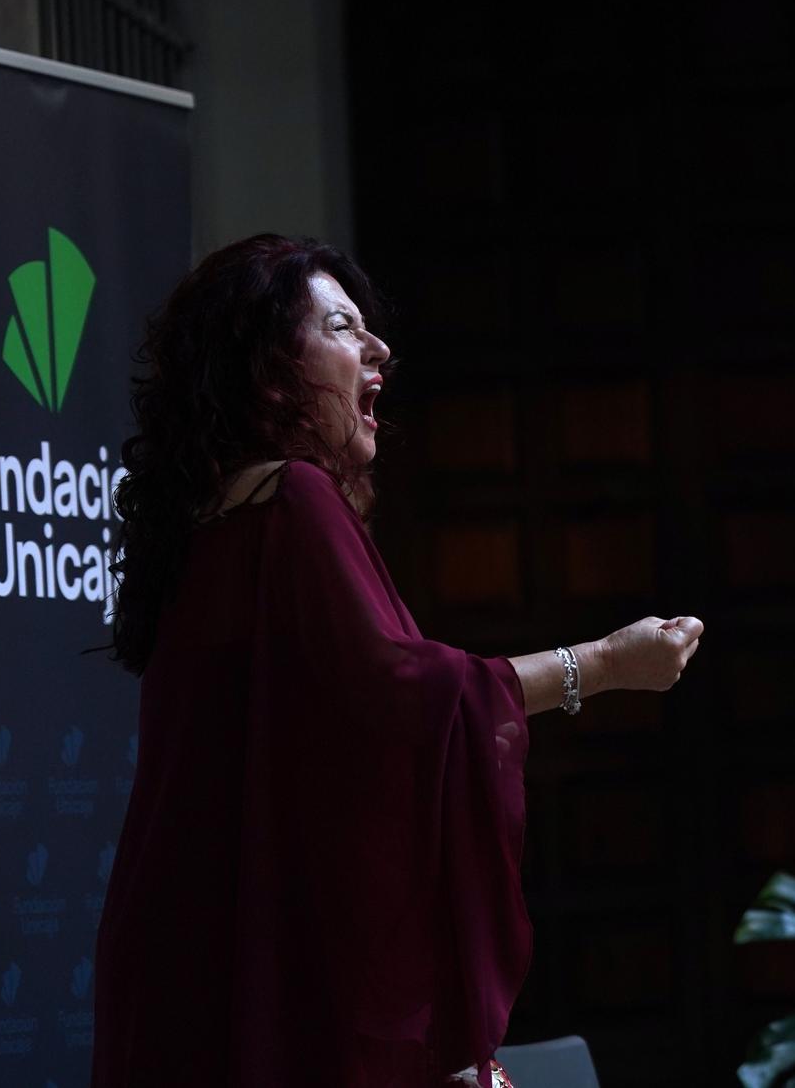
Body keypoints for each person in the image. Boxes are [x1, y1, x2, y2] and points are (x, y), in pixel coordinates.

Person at [90, 234, 703, 1088]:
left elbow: (326, 774)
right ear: (271, 374)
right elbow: (407, 698)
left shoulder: (206, 525)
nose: (379, 347)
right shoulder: (292, 497)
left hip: (183, 965)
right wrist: (600, 663)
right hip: (258, 972)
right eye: (343, 326)